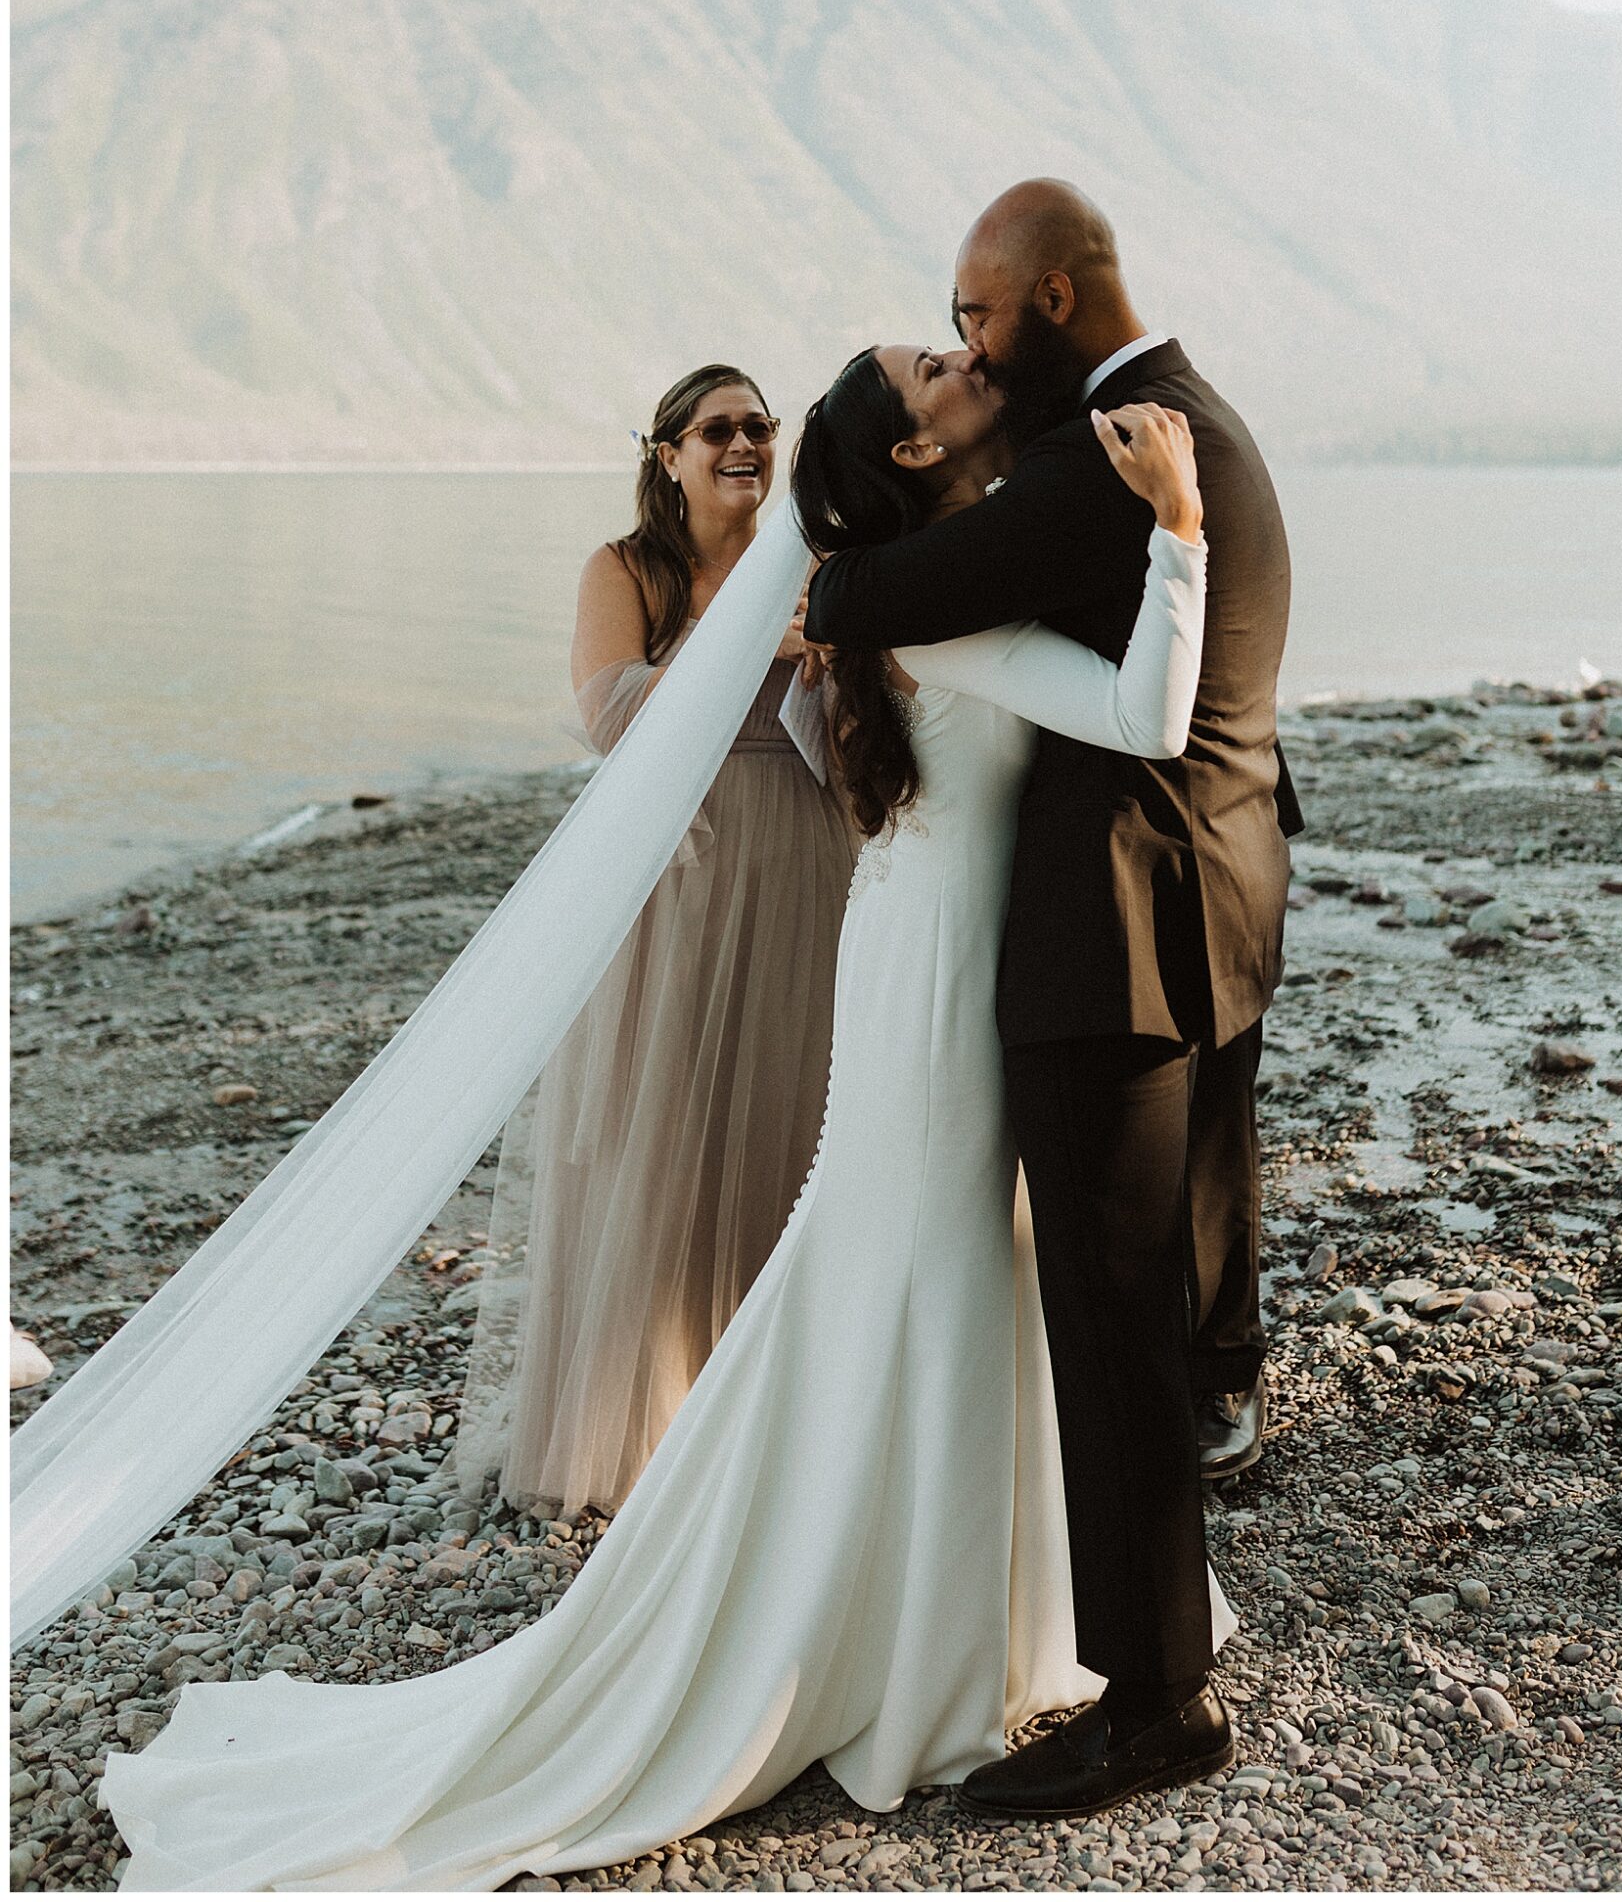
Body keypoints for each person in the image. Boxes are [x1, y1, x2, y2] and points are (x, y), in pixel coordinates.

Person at [100, 348, 1229, 1890]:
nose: (957, 361)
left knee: (925, 1270)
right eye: (930, 366)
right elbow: (1145, 715)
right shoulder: (920, 606)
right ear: (903, 454)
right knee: (929, 1274)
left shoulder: (891, 593)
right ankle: (907, 1644)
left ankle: (958, 1610)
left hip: (919, 947)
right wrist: (1181, 527)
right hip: (936, 969)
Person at [807, 180, 1301, 1821]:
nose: (967, 345)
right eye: (948, 334)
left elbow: (889, 594)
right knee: (1123, 1303)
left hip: (1119, 938)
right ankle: (1130, 1660)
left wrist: (825, 595)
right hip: (1187, 904)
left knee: (1104, 1318)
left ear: (1065, 297)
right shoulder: (1175, 417)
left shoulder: (1115, 444)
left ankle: (1152, 1708)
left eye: (977, 316)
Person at [454, 363, 860, 1517]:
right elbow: (610, 712)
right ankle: (635, 1426)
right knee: (666, 1130)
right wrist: (744, 644)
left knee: (791, 1119)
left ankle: (769, 1417)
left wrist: (830, 662)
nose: (745, 443)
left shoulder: (817, 561)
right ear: (669, 452)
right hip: (673, 875)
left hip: (802, 860)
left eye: (760, 427)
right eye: (719, 427)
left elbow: (857, 727)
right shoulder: (625, 569)